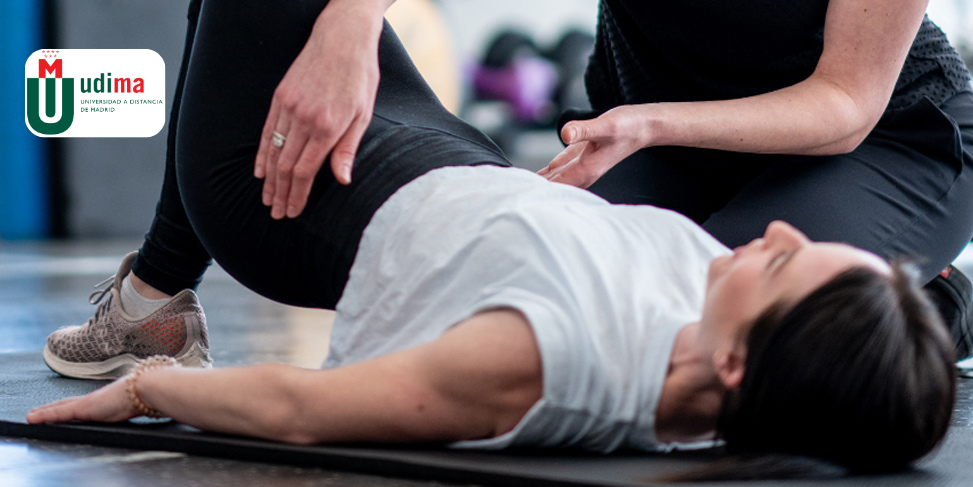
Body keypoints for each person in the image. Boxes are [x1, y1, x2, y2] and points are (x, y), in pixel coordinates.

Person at [29, 0, 956, 474]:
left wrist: (147, 391)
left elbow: (302, 408)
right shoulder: (703, 307)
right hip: (460, 159)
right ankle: (929, 307)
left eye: (783, 260)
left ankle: (151, 303)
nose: (776, 236)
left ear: (734, 364)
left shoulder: (547, 356)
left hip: (291, 194)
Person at [236, 0, 973, 356]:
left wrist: (649, 124)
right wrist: (350, 22)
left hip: (884, 140)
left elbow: (845, 104)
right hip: (668, 140)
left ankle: (929, 304)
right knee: (516, 296)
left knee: (702, 333)